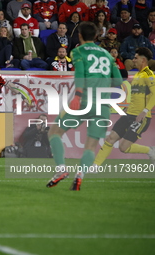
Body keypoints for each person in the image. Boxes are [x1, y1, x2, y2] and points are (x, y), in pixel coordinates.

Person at [46, 21, 123, 191]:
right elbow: (118, 81)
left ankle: (61, 169)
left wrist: (78, 95)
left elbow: (80, 74)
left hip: (83, 101)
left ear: (80, 36)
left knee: (54, 132)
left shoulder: (78, 51)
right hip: (102, 105)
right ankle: (80, 174)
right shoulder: (107, 54)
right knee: (91, 145)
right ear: (96, 36)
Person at [93, 47, 155, 169]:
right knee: (110, 138)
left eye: (135, 58)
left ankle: (150, 150)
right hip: (129, 114)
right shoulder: (137, 75)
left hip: (140, 118)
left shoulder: (149, 75)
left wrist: (145, 111)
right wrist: (127, 109)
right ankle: (95, 166)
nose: (133, 60)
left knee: (123, 147)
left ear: (143, 60)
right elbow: (137, 96)